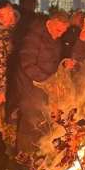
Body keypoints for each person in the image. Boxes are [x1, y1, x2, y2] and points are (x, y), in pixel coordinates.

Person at [15, 10, 73, 154]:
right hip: (30, 89)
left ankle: (39, 157)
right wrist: (48, 81)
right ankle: (24, 159)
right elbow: (28, 64)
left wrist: (63, 65)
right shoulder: (34, 37)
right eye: (59, 30)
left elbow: (53, 60)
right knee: (30, 124)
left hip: (44, 89)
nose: (60, 34)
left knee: (43, 124)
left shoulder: (54, 36)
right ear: (50, 22)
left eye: (63, 31)